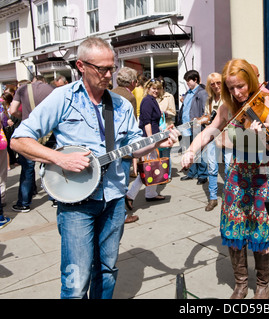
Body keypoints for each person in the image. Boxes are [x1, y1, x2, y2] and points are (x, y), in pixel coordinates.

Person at [11, 37, 179, 299]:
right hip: (77, 203)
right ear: (81, 65)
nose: (109, 75)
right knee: (76, 280)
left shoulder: (121, 104)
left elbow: (133, 147)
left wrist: (159, 139)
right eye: (102, 69)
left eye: (111, 68)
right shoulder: (62, 98)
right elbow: (20, 140)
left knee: (107, 269)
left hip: (113, 199)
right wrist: (59, 159)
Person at [181, 59, 269, 299]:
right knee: (233, 223)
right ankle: (240, 283)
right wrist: (190, 150)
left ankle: (262, 284)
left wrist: (262, 137)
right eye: (231, 88)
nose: (237, 93)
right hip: (238, 172)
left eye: (241, 86)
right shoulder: (228, 105)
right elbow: (210, 131)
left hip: (265, 173)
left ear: (250, 80)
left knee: (261, 224)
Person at [9, 75, 54, 213]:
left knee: (27, 168)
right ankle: (55, 198)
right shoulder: (51, 89)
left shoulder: (23, 89)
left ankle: (24, 203)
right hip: (48, 131)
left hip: (29, 131)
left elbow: (13, 110)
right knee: (50, 164)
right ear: (43, 81)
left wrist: (22, 118)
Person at [125, 78, 167, 210]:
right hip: (148, 139)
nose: (156, 90)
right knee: (147, 168)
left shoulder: (152, 100)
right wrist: (151, 141)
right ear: (148, 88)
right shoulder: (147, 101)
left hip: (152, 138)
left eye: (158, 88)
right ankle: (130, 195)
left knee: (152, 166)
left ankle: (151, 193)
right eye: (153, 88)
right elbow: (147, 122)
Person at [111, 67, 139, 223]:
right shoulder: (129, 97)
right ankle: (120, 214)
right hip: (123, 145)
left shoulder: (111, 93)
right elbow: (131, 125)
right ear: (133, 82)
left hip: (109, 144)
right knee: (122, 181)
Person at [178, 70, 209, 185]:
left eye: (188, 81)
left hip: (196, 126)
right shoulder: (188, 92)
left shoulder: (202, 93)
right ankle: (192, 173)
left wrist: (201, 123)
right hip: (186, 127)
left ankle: (203, 175)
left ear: (195, 79)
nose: (187, 83)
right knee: (190, 151)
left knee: (200, 152)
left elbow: (204, 111)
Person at [203, 72, 223, 211]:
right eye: (213, 84)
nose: (216, 86)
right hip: (212, 136)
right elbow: (208, 117)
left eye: (218, 83)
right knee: (212, 167)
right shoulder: (209, 100)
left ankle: (230, 196)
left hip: (227, 136)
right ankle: (213, 198)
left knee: (229, 167)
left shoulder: (229, 98)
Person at [156, 76, 176, 179]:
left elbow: (173, 113)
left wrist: (165, 113)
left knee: (166, 154)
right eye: (156, 88)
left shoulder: (169, 97)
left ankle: (166, 175)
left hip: (167, 128)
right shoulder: (153, 97)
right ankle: (159, 174)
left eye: (160, 88)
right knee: (157, 154)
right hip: (156, 130)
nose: (157, 90)